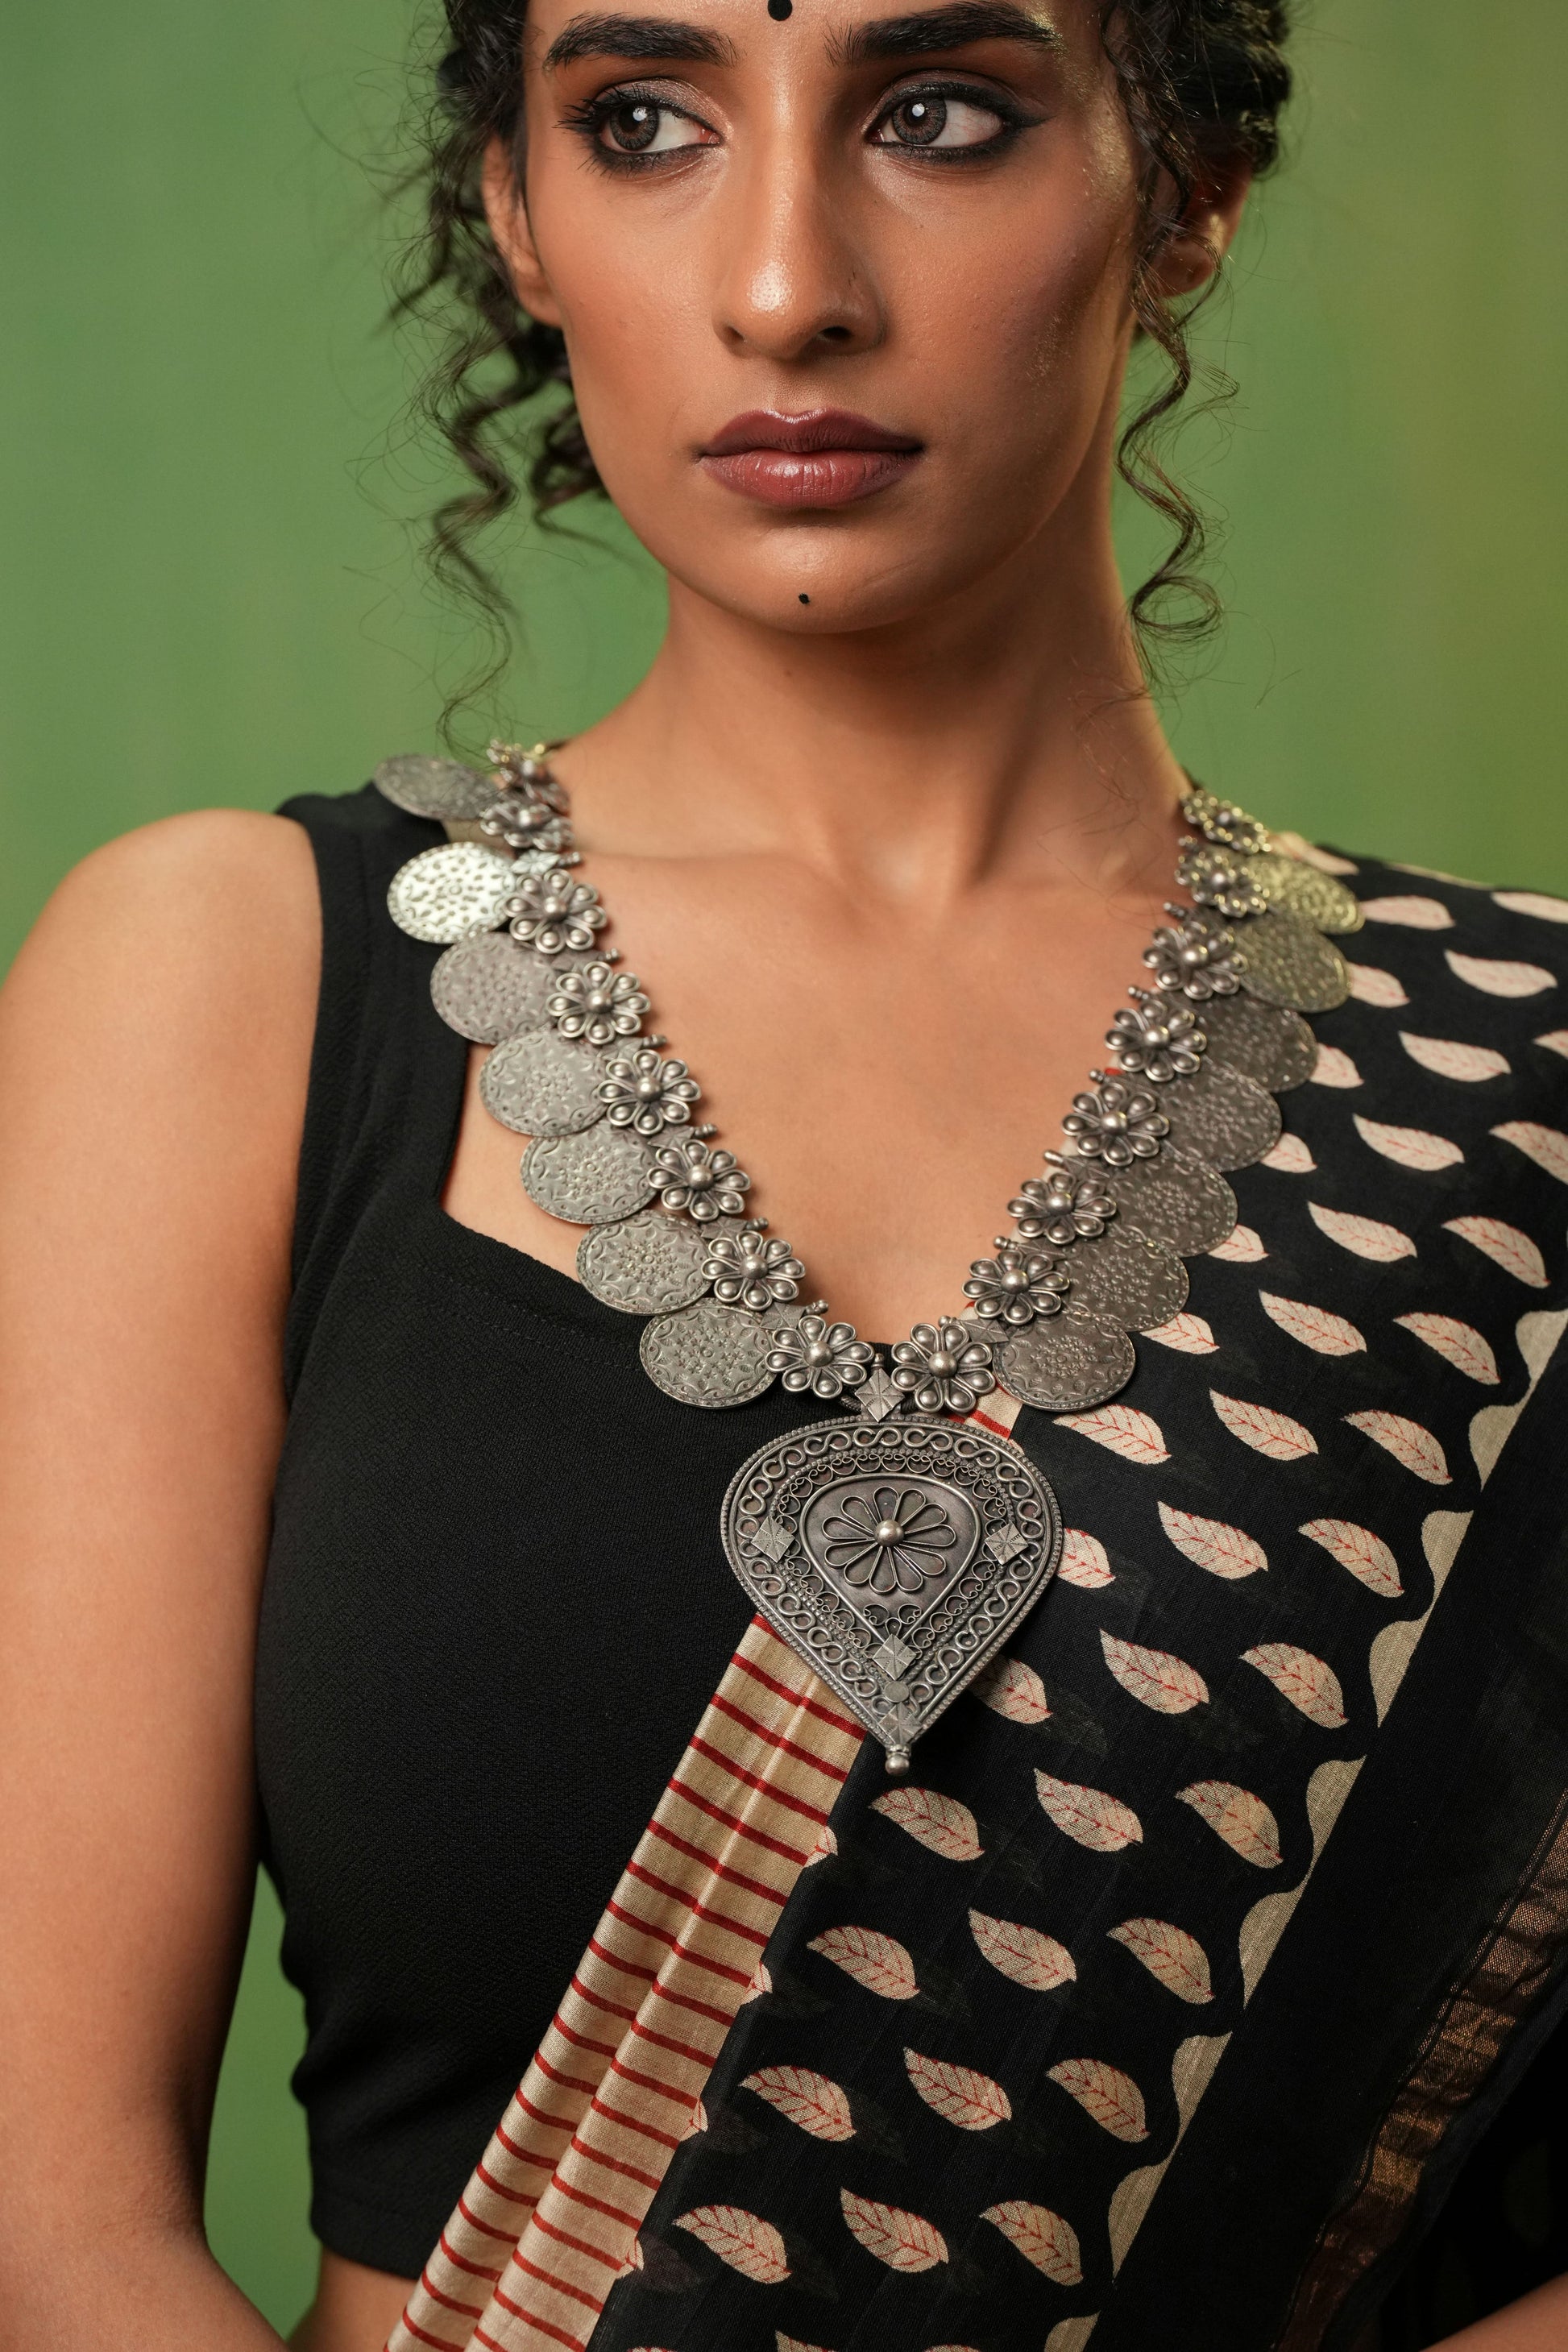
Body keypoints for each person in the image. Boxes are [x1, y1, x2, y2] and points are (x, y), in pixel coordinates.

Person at [2, 2, 1566, 2346]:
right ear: (520, 215)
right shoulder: (227, 983)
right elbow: (48, 2220)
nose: (781, 285)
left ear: (1186, 187)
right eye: (642, 124)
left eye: (938, 116)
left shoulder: (1527, 1080)